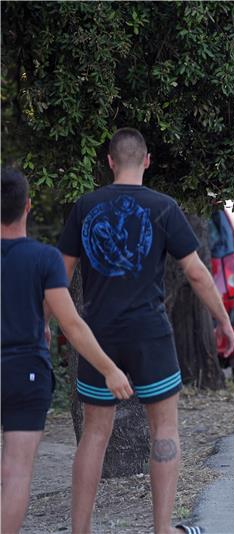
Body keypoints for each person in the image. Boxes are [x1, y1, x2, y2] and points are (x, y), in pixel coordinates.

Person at [57, 128, 234, 534]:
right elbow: (197, 274)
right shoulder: (163, 207)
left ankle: (79, 531)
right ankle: (162, 530)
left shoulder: (86, 207)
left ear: (109, 162)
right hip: (150, 335)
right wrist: (223, 320)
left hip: (97, 336)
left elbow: (59, 276)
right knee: (165, 429)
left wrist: (59, 325)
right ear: (148, 161)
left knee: (94, 434)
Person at [1, 168, 133, 534]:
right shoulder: (44, 259)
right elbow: (71, 324)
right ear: (27, 206)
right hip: (25, 371)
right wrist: (109, 369)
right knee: (16, 471)